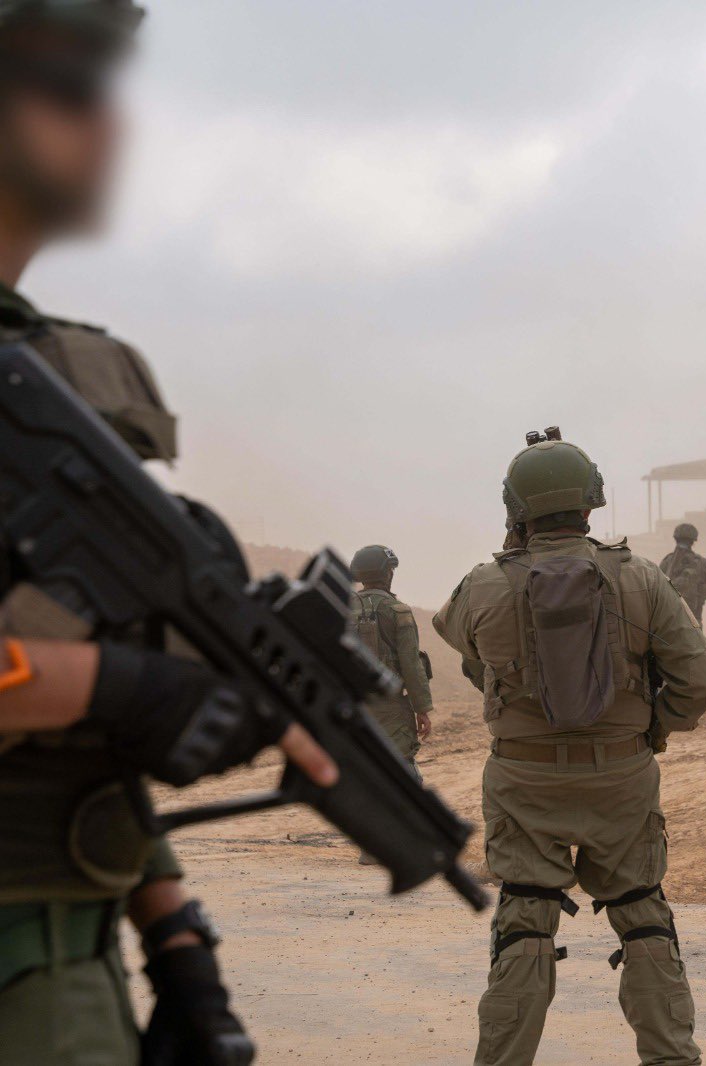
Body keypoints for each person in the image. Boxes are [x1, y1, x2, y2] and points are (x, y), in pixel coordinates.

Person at [0, 4, 334, 1062]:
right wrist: (128, 688)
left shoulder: (40, 376)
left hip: (64, 966)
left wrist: (177, 938)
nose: (110, 123)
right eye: (68, 84)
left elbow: (61, 721)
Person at [434, 434, 706, 1066]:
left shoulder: (483, 585)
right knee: (644, 917)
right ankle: (672, 1057)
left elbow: (459, 643)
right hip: (622, 775)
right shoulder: (640, 577)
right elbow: (700, 680)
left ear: (517, 510)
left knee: (525, 921)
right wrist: (652, 730)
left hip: (524, 779)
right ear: (592, 501)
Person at [349, 544, 434, 768]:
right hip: (390, 706)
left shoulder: (341, 608)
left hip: (352, 704)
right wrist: (422, 709)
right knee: (400, 768)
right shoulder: (398, 611)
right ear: (387, 573)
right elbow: (411, 664)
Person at [659, 522, 706, 623]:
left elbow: (656, 591)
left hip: (668, 623)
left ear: (675, 539)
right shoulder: (703, 563)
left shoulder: (666, 562)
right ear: (693, 541)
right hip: (693, 621)